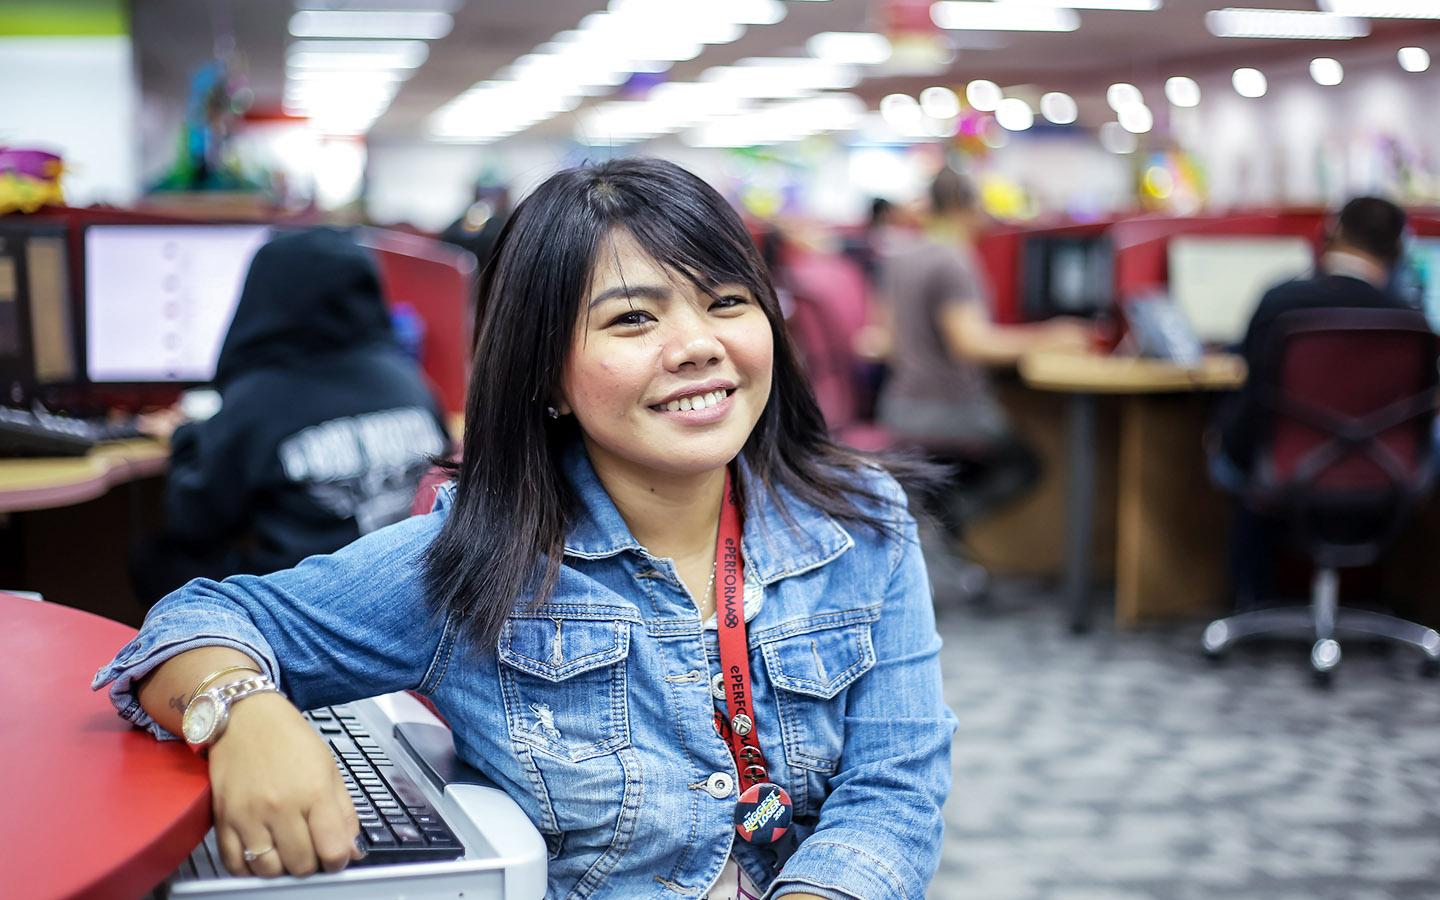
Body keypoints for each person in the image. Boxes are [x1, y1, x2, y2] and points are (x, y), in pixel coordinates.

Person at [95, 158, 958, 899]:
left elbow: (893, 793)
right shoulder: (479, 556)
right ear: (547, 374)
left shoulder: (862, 523)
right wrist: (244, 713)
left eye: (726, 301)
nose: (697, 344)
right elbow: (195, 621)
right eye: (634, 317)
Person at [130, 227, 451, 606]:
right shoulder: (410, 382)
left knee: (156, 558)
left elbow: (195, 518)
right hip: (409, 592)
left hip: (303, 606)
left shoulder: (258, 399)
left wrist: (187, 438)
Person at [1209, 196, 1413, 608]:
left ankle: (1252, 597)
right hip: (1384, 473)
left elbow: (1248, 382)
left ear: (1331, 234)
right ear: (1397, 251)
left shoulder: (1281, 301)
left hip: (1280, 469)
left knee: (1235, 434)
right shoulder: (1410, 318)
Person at [875, 167, 1088, 555]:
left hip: (900, 405)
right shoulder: (953, 260)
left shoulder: (901, 257)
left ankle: (937, 528)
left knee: (956, 475)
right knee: (1025, 465)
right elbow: (971, 344)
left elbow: (885, 340)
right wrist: (1051, 336)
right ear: (964, 207)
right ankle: (943, 527)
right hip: (949, 408)